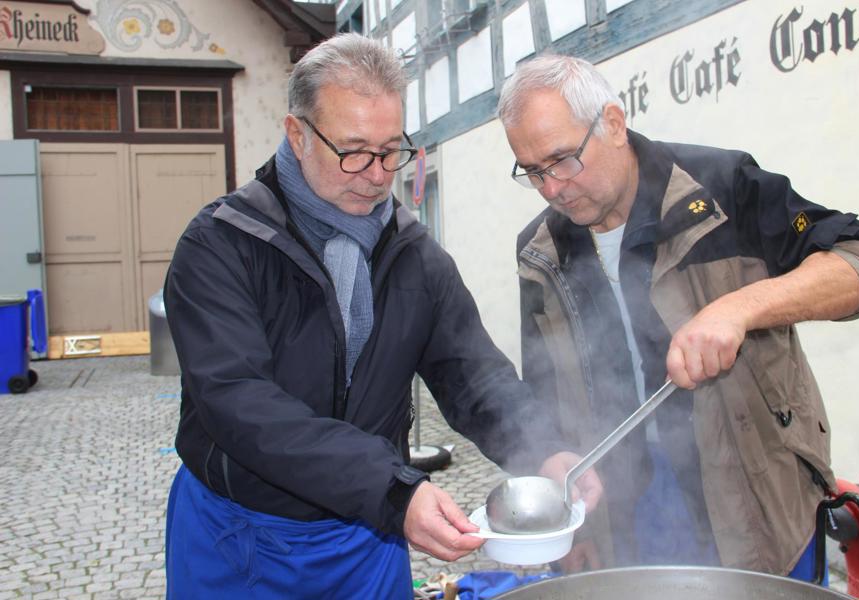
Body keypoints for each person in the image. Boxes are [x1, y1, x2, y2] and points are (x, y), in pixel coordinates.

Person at [162, 34, 601, 599]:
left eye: (391, 150)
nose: (376, 174)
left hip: (366, 536)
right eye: (354, 150)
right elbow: (240, 404)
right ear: (297, 135)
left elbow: (473, 376)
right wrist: (393, 490)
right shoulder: (220, 244)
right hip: (239, 535)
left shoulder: (414, 255)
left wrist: (545, 450)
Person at [496, 54, 859, 579]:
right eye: (533, 171)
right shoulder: (541, 251)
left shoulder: (721, 187)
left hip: (755, 496)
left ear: (613, 124)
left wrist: (739, 308)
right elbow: (546, 393)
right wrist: (576, 530)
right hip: (622, 510)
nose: (551, 188)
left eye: (562, 159)